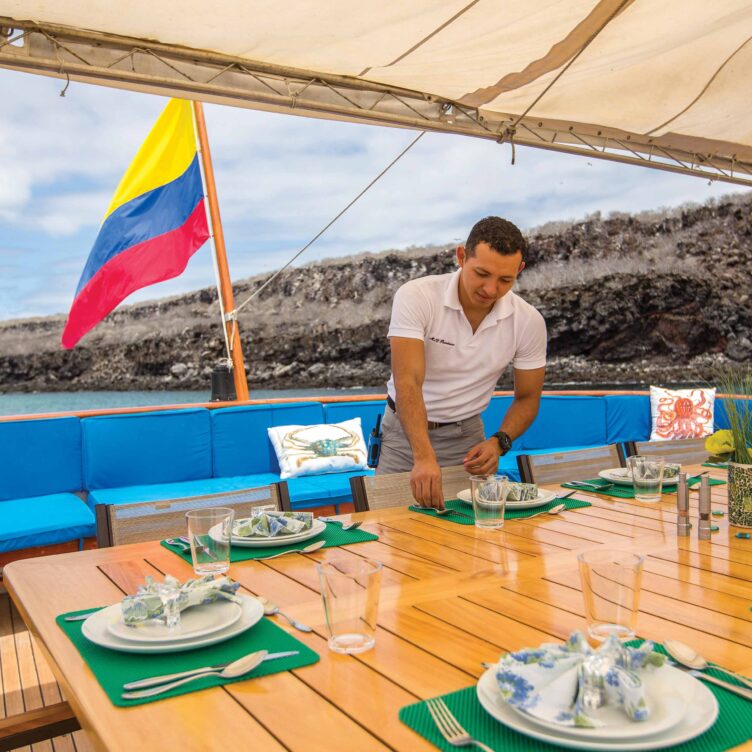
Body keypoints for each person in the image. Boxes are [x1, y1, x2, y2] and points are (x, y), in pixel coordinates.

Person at [377, 216, 546, 508]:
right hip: (405, 435)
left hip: (468, 440)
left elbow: (528, 397)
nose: (491, 289)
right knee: (391, 534)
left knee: (471, 537)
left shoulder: (528, 321)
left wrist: (499, 442)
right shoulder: (416, 296)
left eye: (505, 280)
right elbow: (408, 382)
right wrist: (423, 455)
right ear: (461, 256)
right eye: (482, 273)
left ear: (519, 270)